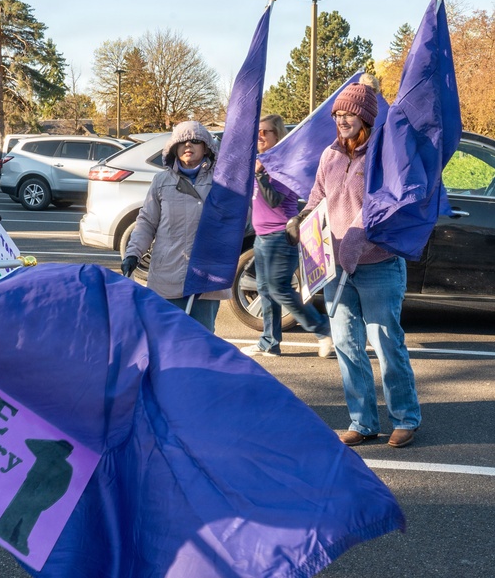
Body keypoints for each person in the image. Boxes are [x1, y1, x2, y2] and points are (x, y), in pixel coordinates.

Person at [294, 74, 420, 449]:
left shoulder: (383, 154)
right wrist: (301, 220)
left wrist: (354, 239)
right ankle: (362, 421)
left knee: (386, 344)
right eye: (337, 115)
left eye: (349, 114)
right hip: (334, 266)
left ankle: (405, 418)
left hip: (378, 265)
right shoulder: (329, 155)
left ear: (366, 118)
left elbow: (384, 206)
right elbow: (317, 196)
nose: (342, 120)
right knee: (347, 345)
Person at [121, 121, 230, 332]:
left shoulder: (222, 181)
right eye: (182, 142)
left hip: (206, 275)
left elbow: (237, 220)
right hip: (167, 274)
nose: (188, 145)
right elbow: (146, 222)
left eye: (195, 141)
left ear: (206, 147)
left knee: (201, 340)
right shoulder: (161, 181)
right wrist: (133, 253)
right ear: (173, 148)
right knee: (165, 339)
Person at [241, 114, 335, 359]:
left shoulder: (284, 167)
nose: (260, 136)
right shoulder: (260, 162)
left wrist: (261, 175)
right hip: (262, 237)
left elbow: (274, 201)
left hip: (281, 236)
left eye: (265, 132)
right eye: (258, 131)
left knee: (279, 288)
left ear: (277, 136)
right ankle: (269, 343)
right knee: (264, 289)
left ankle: (324, 329)